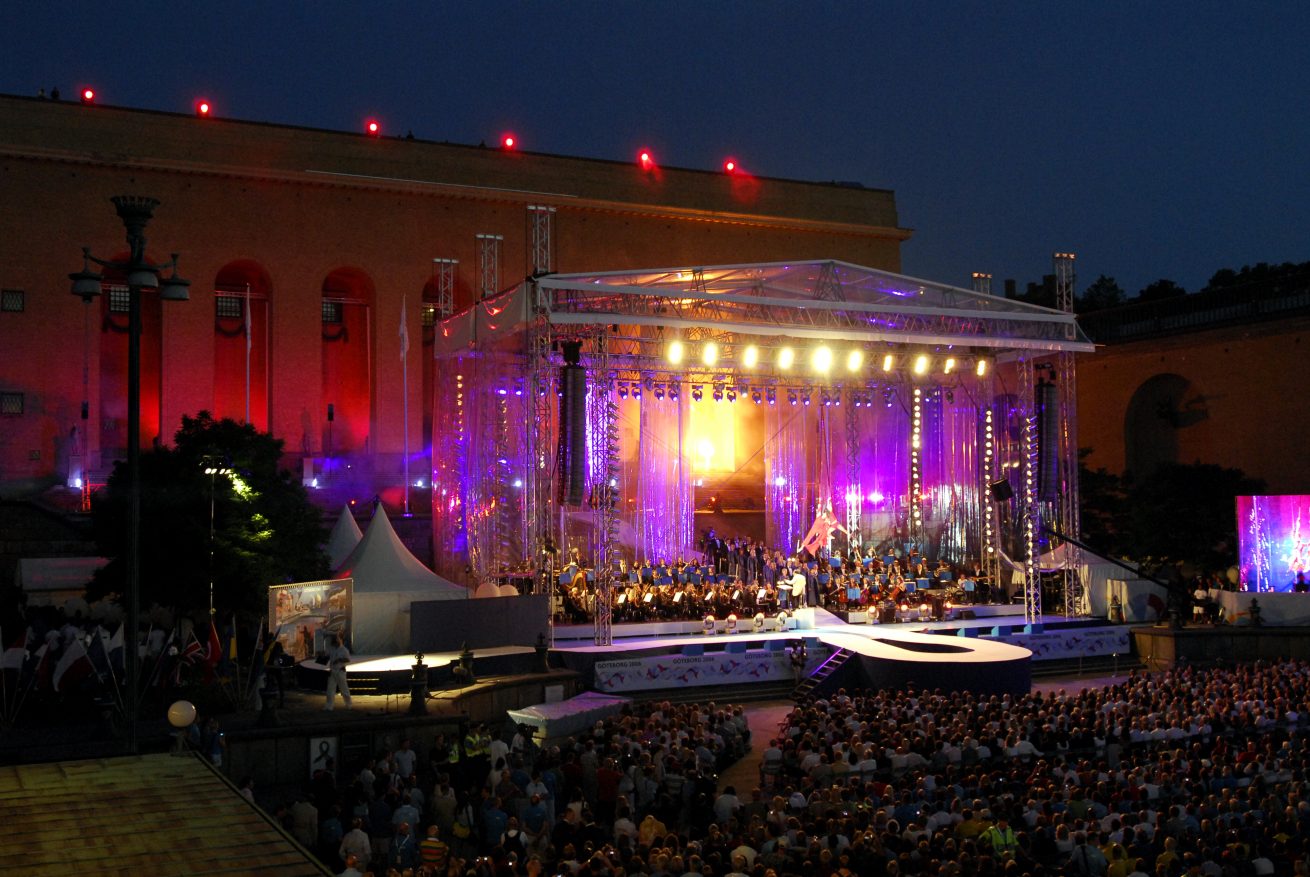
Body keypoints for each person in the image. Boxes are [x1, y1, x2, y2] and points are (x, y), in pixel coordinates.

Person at [324, 634, 351, 710]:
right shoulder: (331, 649)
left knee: (344, 689)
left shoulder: (344, 650)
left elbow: (347, 659)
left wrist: (339, 660)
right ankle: (329, 706)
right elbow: (327, 657)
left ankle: (348, 704)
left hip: (340, 671)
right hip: (333, 671)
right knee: (330, 689)